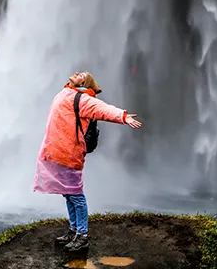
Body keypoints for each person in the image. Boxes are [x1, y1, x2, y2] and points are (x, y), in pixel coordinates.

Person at [34, 71, 142, 252]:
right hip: (57, 151)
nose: (77, 72)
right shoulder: (66, 93)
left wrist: (123, 116)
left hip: (70, 152)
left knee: (76, 194)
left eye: (82, 74)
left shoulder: (83, 99)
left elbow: (103, 109)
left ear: (85, 82)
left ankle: (82, 236)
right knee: (67, 193)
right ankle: (73, 230)